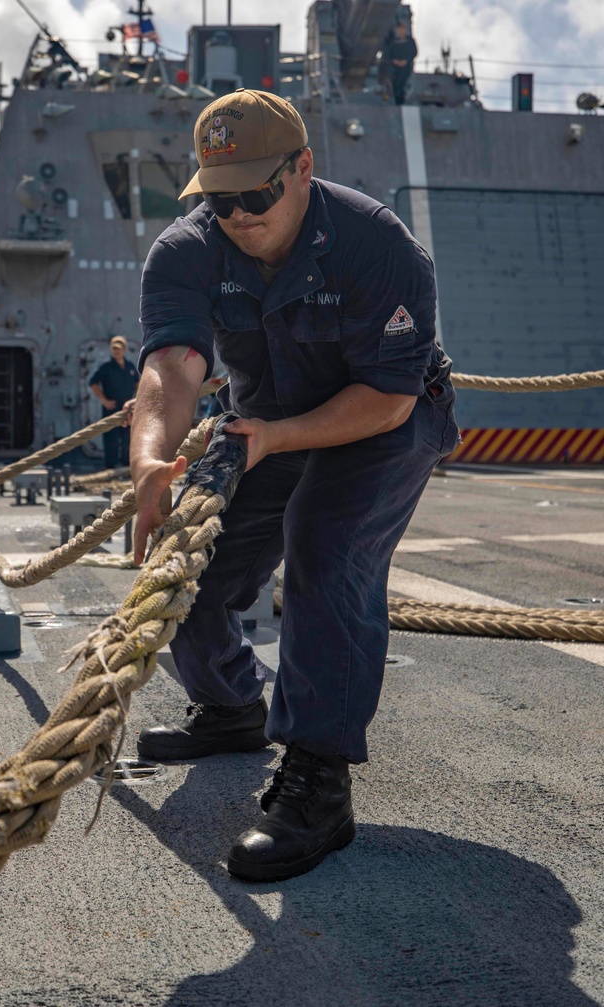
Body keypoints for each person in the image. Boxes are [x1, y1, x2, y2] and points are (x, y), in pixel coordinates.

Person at [130, 89, 459, 883]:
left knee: (324, 541)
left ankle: (319, 781)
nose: (238, 214)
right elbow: (172, 365)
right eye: (218, 197)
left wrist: (276, 437)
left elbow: (386, 398)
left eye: (256, 192)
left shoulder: (376, 245)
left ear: (303, 169)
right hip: (265, 420)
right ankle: (232, 705)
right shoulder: (186, 250)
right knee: (191, 557)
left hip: (383, 419)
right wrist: (149, 459)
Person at [88, 335, 140, 468]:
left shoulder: (130, 366)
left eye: (119, 348)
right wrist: (104, 400)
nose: (116, 351)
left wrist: (136, 400)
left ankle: (126, 463)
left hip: (127, 406)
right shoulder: (106, 367)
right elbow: (93, 383)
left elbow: (138, 384)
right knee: (111, 436)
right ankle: (111, 465)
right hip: (112, 406)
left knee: (127, 436)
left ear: (124, 349)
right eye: (114, 348)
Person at [382, 20, 417, 106]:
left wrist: (406, 60)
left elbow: (414, 52)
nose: (400, 32)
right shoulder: (393, 42)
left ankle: (401, 101)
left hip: (406, 66)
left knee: (402, 83)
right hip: (395, 66)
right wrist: (394, 61)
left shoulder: (410, 41)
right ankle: (397, 102)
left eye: (402, 30)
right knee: (395, 83)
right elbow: (388, 53)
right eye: (398, 30)